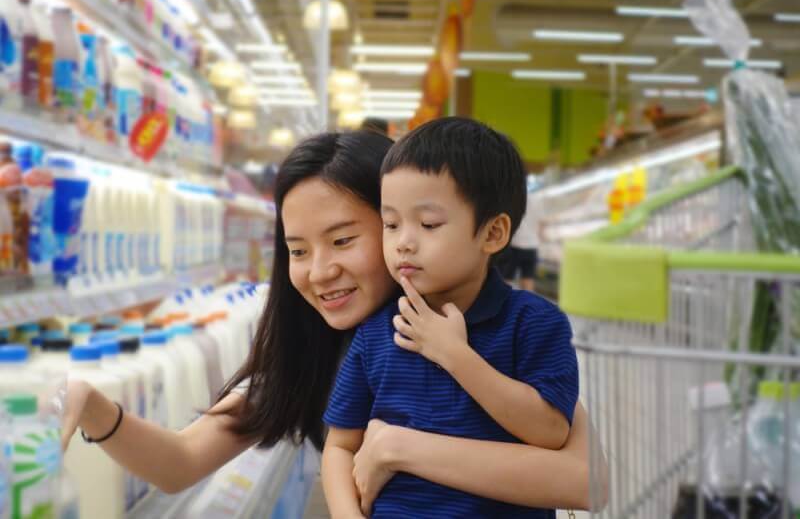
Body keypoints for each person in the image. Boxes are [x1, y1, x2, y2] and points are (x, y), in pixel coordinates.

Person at [60, 130, 604, 515]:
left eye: (344, 240)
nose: (320, 271)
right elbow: (178, 463)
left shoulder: (492, 332)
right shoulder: (311, 361)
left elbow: (585, 480)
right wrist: (90, 404)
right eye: (298, 250)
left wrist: (396, 447)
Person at [321, 118, 578, 518]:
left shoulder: (533, 323)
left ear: (492, 233)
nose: (403, 241)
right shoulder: (376, 331)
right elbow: (340, 445)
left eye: (428, 224)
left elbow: (550, 432)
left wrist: (454, 355)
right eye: (390, 224)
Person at [499, 190, 542, 292]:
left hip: (515, 245)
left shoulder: (513, 199)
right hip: (532, 246)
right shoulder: (537, 200)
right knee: (528, 279)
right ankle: (527, 305)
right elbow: (541, 224)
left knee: (506, 279)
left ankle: (504, 306)